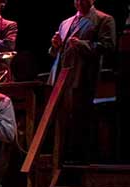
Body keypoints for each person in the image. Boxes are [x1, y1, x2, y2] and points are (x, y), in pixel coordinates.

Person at [48, 0, 116, 164]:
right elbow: (57, 52)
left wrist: (82, 44)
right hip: (61, 78)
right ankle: (62, 157)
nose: (79, 1)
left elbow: (108, 46)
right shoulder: (66, 22)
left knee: (80, 119)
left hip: (84, 76)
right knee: (62, 119)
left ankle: (79, 159)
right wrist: (55, 46)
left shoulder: (103, 19)